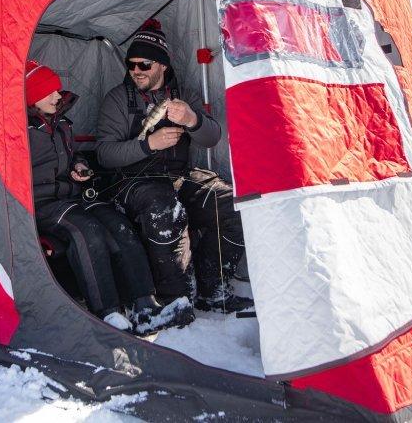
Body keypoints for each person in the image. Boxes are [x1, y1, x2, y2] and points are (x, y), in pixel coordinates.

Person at [25, 60, 193, 334]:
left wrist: (79, 165)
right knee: (87, 231)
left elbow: (71, 156)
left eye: (57, 90)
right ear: (33, 97)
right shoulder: (21, 130)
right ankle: (107, 313)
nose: (58, 96)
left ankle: (145, 306)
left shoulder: (62, 123)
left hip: (74, 196)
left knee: (119, 226)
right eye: (49, 92)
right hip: (42, 203)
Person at [95, 20, 251, 313]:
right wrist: (148, 145)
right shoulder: (117, 99)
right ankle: (174, 300)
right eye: (131, 65)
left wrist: (193, 120)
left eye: (144, 64)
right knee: (163, 206)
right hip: (133, 181)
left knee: (232, 203)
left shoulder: (183, 95)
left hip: (179, 176)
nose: (136, 71)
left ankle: (213, 289)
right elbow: (105, 154)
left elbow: (212, 138)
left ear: (163, 65)